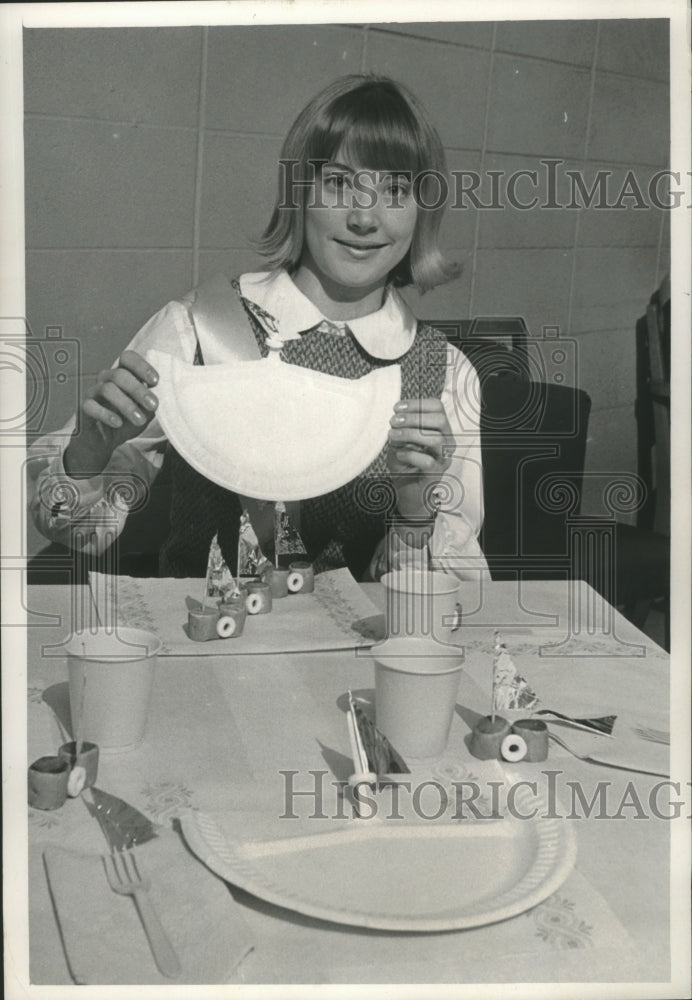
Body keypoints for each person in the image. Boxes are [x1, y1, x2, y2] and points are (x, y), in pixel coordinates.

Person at [28, 74, 488, 582]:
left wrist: (416, 513)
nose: (365, 217)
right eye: (338, 182)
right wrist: (88, 454)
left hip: (354, 658)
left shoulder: (446, 373)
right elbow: (75, 527)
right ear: (299, 192)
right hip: (206, 652)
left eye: (396, 190)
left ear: (424, 212)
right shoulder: (199, 327)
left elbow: (449, 601)